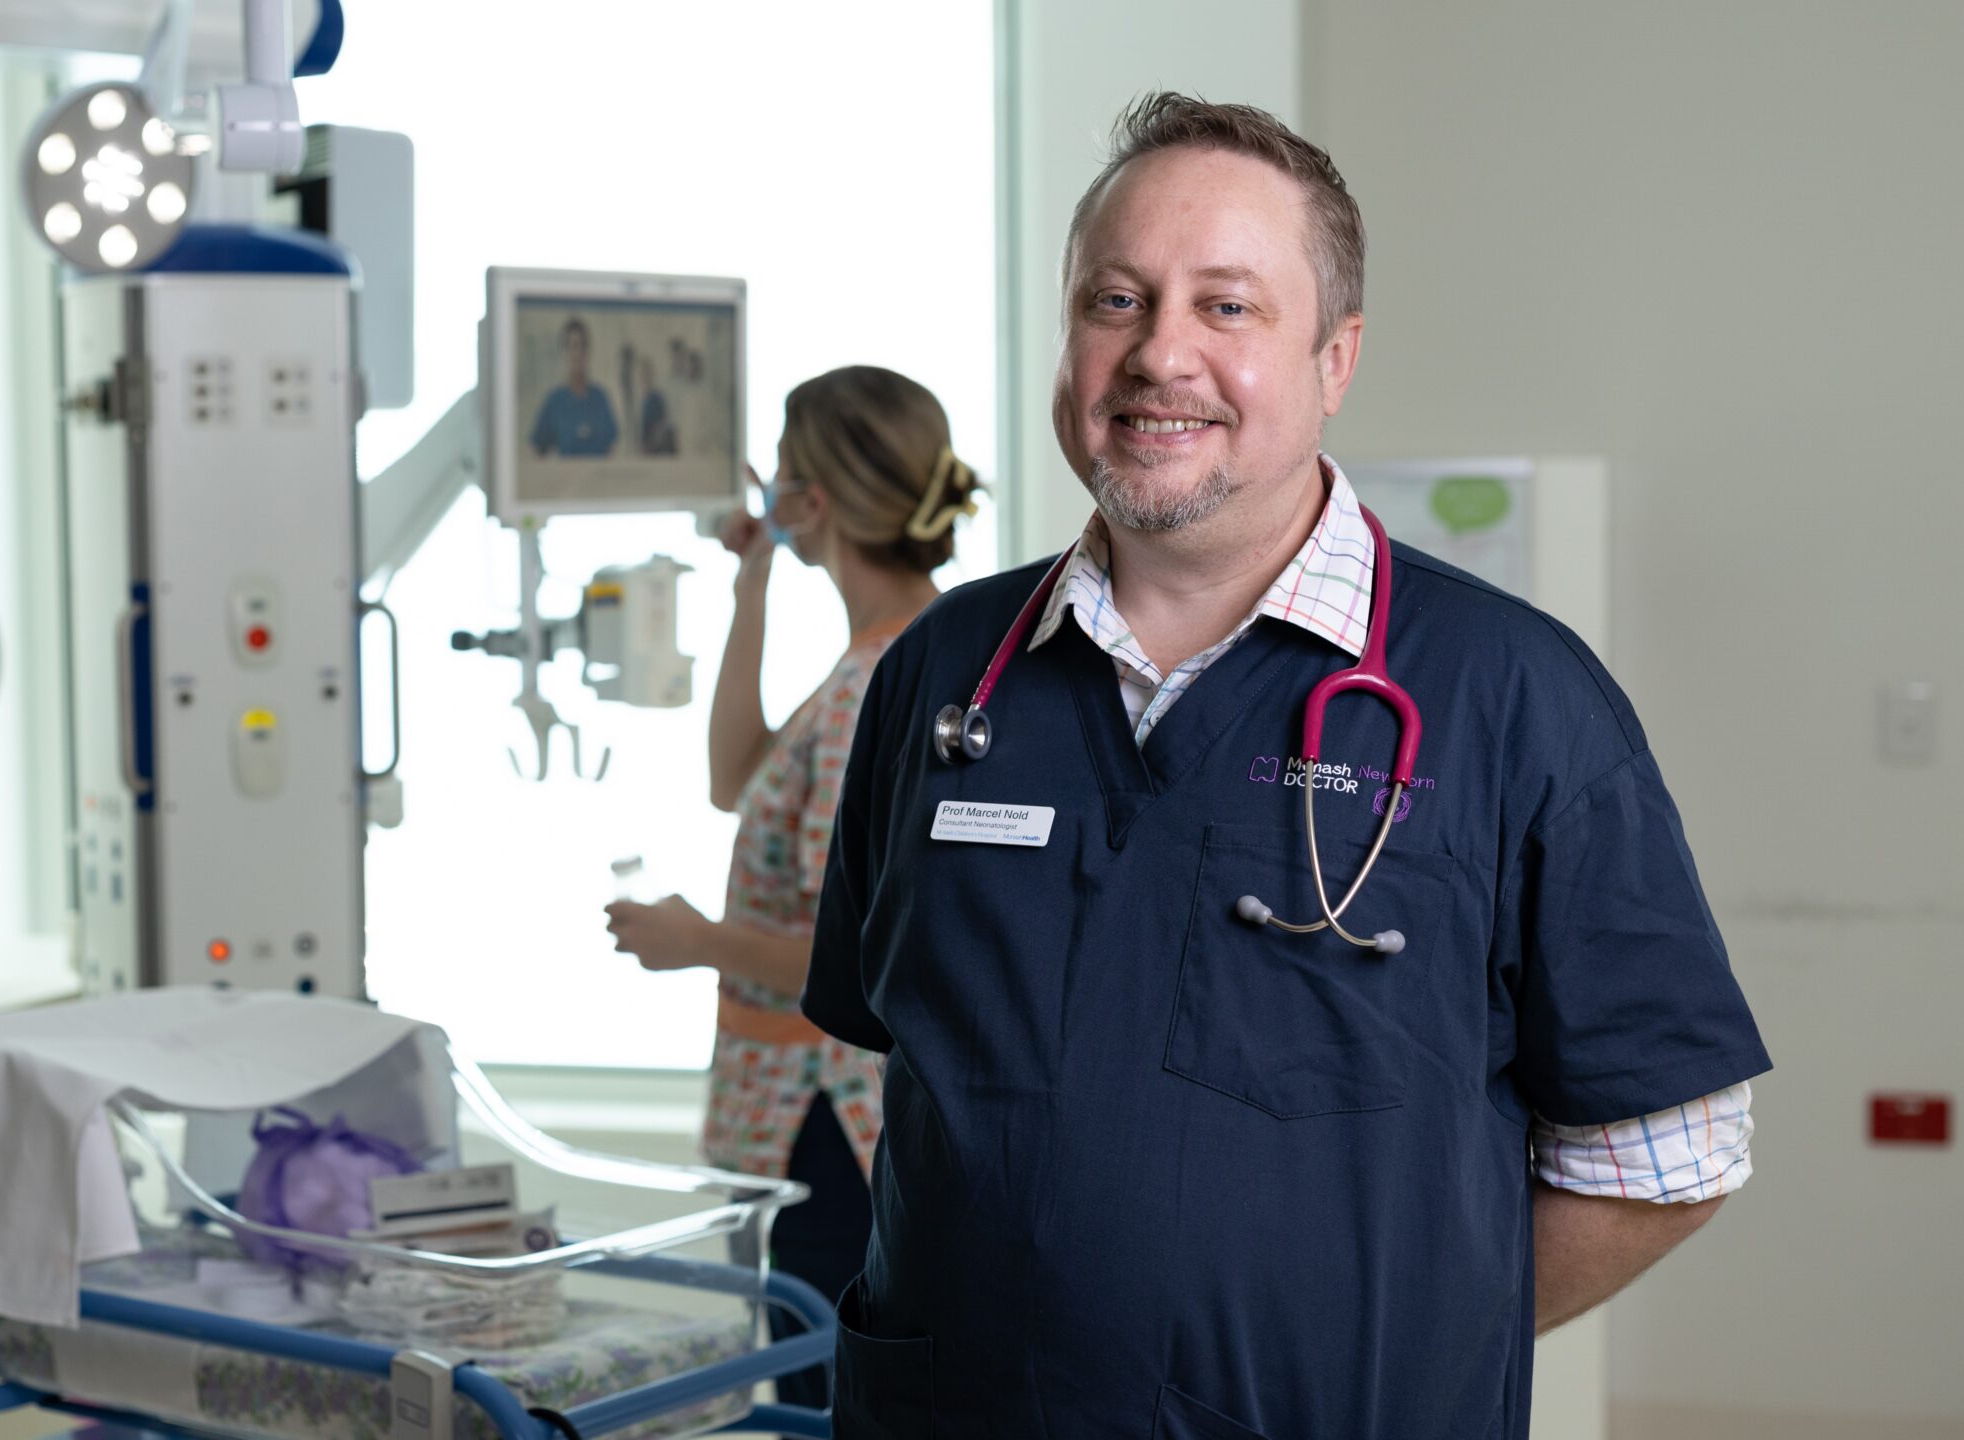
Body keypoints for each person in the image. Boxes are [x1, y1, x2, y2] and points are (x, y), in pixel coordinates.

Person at [802, 94, 1770, 1439]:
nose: (1160, 356)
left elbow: (1669, 1158)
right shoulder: (945, 675)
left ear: (1336, 356)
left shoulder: (1518, 699)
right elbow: (901, 1061)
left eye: (1230, 308)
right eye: (1117, 300)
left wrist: (1408, 1348)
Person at [604, 365, 982, 1415]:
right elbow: (734, 778)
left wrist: (699, 939)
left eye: (778, 467)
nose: (764, 486)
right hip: (829, 1113)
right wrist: (751, 584)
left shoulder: (878, 680)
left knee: (817, 1391)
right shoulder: (899, 651)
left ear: (810, 499)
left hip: (829, 1116)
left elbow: (857, 950)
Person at [529, 316, 618, 457]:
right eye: (571, 347)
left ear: (587, 351)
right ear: (564, 352)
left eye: (581, 346)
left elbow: (612, 448)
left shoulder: (600, 398)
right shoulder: (555, 401)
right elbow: (536, 449)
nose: (577, 354)